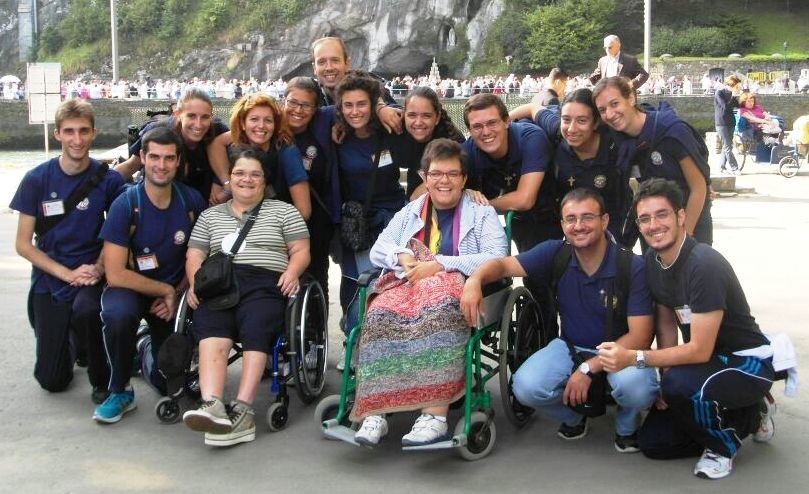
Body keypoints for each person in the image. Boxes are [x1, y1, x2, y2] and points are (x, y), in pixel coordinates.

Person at [597, 178, 776, 480]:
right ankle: (736, 410)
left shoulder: (703, 264)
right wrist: (665, 381)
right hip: (707, 364)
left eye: (662, 214)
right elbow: (666, 320)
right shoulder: (654, 261)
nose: (653, 225)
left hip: (746, 361)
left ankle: (730, 438)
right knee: (654, 443)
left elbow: (699, 349)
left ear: (681, 216)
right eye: (644, 218)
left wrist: (635, 358)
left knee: (681, 384)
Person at [460, 188, 658, 452]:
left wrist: (587, 369)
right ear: (563, 225)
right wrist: (475, 280)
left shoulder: (631, 266)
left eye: (587, 217)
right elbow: (503, 265)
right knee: (525, 387)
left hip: (620, 350)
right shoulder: (556, 253)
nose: (579, 226)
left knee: (637, 387)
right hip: (572, 345)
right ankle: (575, 417)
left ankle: (627, 426)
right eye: (571, 219)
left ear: (605, 220)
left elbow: (641, 336)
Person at [350, 139, 508, 447]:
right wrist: (401, 256)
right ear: (424, 176)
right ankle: (377, 412)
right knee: (379, 312)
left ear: (463, 178)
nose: (443, 181)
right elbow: (379, 249)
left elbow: (496, 255)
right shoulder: (411, 212)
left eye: (452, 174)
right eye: (436, 174)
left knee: (439, 310)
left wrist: (438, 265)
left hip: (457, 288)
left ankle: (434, 414)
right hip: (408, 288)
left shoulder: (481, 213)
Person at [181, 147, 310, 447]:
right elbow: (195, 254)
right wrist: (194, 284)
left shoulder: (284, 211)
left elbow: (301, 250)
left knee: (257, 325)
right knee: (211, 325)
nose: (247, 179)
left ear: (265, 181)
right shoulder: (210, 216)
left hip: (265, 281)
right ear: (229, 178)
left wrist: (292, 273)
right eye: (239, 173)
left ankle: (243, 408)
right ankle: (212, 403)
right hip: (219, 281)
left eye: (255, 174)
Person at [10, 99, 125, 402]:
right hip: (52, 274)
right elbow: (23, 244)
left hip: (90, 273)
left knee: (88, 310)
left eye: (83, 131)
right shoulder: (36, 179)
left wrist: (99, 268)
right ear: (58, 134)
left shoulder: (109, 180)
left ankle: (103, 380)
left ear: (94, 133)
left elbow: (118, 235)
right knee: (52, 380)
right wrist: (66, 273)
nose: (77, 139)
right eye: (70, 132)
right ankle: (73, 342)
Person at [93, 127, 206, 424]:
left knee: (165, 384)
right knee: (119, 316)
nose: (161, 165)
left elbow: (199, 257)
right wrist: (164, 290)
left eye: (169, 158)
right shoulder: (126, 204)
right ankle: (119, 390)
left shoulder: (192, 202)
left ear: (179, 161)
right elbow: (115, 273)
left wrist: (178, 291)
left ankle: (143, 350)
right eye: (154, 156)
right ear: (142, 157)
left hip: (172, 295)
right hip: (130, 288)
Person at [462, 93, 560, 337]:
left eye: (492, 123)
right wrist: (468, 192)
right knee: (529, 281)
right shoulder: (469, 151)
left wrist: (482, 204)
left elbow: (525, 199)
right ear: (470, 131)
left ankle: (555, 337)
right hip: (512, 219)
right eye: (477, 126)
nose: (486, 132)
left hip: (549, 216)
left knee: (547, 281)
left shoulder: (530, 137)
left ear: (506, 121)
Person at [593, 76, 712, 245]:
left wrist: (685, 237)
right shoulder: (616, 139)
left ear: (631, 98)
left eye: (615, 104)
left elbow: (699, 187)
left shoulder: (672, 131)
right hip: (652, 225)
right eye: (602, 110)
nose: (610, 114)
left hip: (690, 218)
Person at [333, 71, 407, 339]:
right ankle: (353, 340)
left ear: (373, 104)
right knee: (357, 283)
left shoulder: (390, 130)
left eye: (362, 104)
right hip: (357, 222)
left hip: (394, 218)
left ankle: (386, 343)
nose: (355, 111)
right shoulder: (337, 137)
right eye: (348, 105)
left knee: (392, 283)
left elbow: (427, 144)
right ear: (340, 107)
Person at [513, 88, 633, 245]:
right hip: (570, 223)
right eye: (566, 119)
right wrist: (503, 121)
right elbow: (531, 108)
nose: (571, 129)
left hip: (613, 220)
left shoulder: (615, 144)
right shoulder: (557, 131)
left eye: (582, 121)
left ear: (596, 122)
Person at [205, 93, 312, 221]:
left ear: (275, 125)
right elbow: (215, 205)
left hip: (276, 229)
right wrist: (228, 187)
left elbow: (304, 211)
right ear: (243, 124)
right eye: (254, 119)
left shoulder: (287, 153)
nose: (261, 125)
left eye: (268, 120)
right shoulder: (232, 152)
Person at [115, 88, 229, 201]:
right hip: (165, 202)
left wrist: (222, 183)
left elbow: (240, 153)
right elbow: (131, 166)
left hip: (205, 203)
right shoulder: (158, 132)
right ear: (177, 114)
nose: (198, 125)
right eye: (191, 116)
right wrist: (103, 184)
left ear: (211, 117)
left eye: (205, 117)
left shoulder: (218, 131)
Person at [310, 36, 401, 134]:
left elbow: (401, 113)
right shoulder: (311, 94)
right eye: (321, 62)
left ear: (347, 63)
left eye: (335, 60)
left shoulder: (369, 84)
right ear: (314, 68)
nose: (329, 67)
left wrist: (379, 107)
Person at [393, 86, 466, 199]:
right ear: (404, 114)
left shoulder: (452, 140)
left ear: (437, 118)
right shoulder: (396, 128)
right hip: (411, 190)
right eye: (412, 115)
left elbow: (415, 197)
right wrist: (381, 109)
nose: (418, 122)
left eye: (426, 116)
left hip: (445, 197)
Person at [714, 75, 742, 174]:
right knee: (727, 147)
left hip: (731, 122)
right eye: (737, 86)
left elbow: (738, 106)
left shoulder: (731, 93)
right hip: (721, 123)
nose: (738, 88)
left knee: (727, 146)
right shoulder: (719, 92)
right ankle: (734, 168)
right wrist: (733, 96)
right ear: (732, 84)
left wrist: (742, 97)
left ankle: (722, 167)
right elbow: (725, 107)